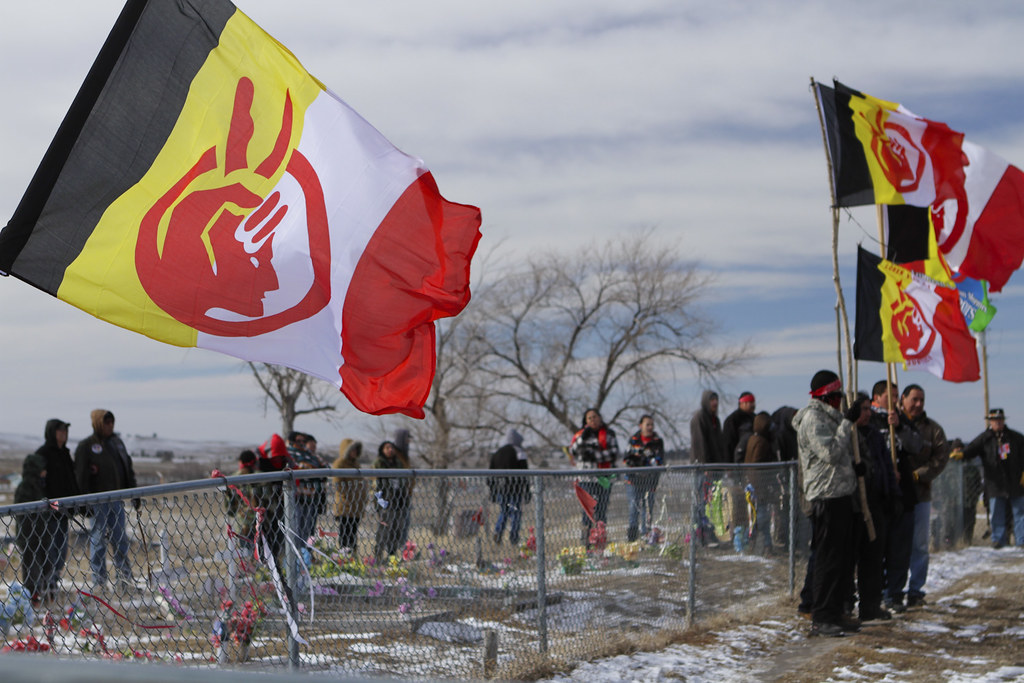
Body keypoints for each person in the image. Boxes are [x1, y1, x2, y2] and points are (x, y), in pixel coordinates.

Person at [792, 370, 859, 637]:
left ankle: (835, 612)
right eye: (838, 396)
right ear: (827, 397)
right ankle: (821, 617)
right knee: (828, 560)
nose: (841, 401)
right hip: (825, 498)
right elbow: (830, 453)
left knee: (841, 560)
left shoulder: (832, 417)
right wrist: (847, 424)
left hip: (840, 495)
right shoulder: (813, 418)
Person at [887, 384, 949, 610]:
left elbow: (941, 459)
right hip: (893, 496)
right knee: (893, 545)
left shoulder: (933, 430)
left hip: (920, 495)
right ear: (902, 399)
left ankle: (915, 591)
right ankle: (891, 592)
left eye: (922, 400)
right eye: (914, 399)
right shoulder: (889, 422)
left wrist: (917, 475)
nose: (918, 404)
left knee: (919, 545)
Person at [847, 395, 899, 622]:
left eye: (869, 409)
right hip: (853, 505)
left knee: (874, 559)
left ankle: (870, 606)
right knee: (849, 560)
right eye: (862, 409)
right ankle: (846, 605)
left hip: (875, 504)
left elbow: (886, 465)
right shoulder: (846, 434)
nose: (867, 413)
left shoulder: (876, 435)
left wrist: (893, 494)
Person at [74, 409, 137, 592]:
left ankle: (124, 581)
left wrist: (134, 493)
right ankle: (99, 583)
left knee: (120, 539)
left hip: (116, 499)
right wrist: (83, 503)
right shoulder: (87, 446)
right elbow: (81, 476)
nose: (110, 426)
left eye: (111, 422)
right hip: (97, 501)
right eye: (106, 422)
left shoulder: (116, 444)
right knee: (98, 540)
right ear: (97, 423)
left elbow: (127, 467)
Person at [962, 408, 1024, 549]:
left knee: (1020, 513)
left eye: (1000, 420)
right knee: (997, 513)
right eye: (995, 420)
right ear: (990, 421)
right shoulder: (985, 438)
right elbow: (971, 449)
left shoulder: (1016, 438)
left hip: (1015, 482)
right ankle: (998, 541)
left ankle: (1022, 541)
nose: (998, 423)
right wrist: (960, 454)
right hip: (995, 484)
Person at [35, 418, 79, 602]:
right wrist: (52, 506)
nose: (63, 434)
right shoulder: (43, 454)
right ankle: (46, 588)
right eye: (60, 431)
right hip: (48, 515)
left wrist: (79, 502)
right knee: (50, 553)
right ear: (52, 432)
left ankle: (53, 585)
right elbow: (39, 487)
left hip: (64, 513)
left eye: (65, 431)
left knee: (61, 553)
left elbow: (71, 480)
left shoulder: (65, 454)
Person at [568, 408, 619, 546]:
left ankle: (600, 542)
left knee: (601, 511)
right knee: (587, 512)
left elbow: (613, 453)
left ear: (600, 418)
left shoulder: (609, 434)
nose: (592, 420)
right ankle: (586, 544)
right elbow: (573, 451)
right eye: (589, 418)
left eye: (595, 417)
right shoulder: (580, 434)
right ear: (585, 420)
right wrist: (584, 437)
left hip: (604, 478)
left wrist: (594, 456)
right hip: (586, 479)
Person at [13, 452, 49, 605]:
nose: (45, 472)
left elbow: (48, 504)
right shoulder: (25, 488)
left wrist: (53, 506)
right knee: (31, 569)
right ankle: (32, 597)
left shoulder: (40, 486)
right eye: (41, 469)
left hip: (42, 533)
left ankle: (46, 595)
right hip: (28, 535)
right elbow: (23, 512)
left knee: (46, 565)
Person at [624, 415, 665, 542]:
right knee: (634, 507)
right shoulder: (634, 440)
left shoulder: (657, 441)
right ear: (640, 425)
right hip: (633, 480)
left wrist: (644, 457)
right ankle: (632, 536)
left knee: (647, 509)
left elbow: (658, 460)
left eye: (652, 425)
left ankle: (646, 535)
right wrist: (640, 460)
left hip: (650, 481)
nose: (650, 427)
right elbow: (627, 459)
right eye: (647, 424)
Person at [488, 429, 530, 545]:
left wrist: (492, 491)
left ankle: (498, 532)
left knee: (504, 511)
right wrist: (526, 491)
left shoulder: (497, 453)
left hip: (501, 489)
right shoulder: (519, 452)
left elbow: (490, 474)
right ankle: (514, 537)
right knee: (515, 512)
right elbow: (525, 472)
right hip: (515, 489)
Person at [373, 438, 412, 561]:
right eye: (387, 448)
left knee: (396, 530)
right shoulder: (379, 463)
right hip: (385, 501)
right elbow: (375, 485)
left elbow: (404, 481)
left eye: (392, 448)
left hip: (399, 501)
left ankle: (392, 556)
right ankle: (378, 555)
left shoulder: (398, 463)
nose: (390, 450)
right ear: (382, 450)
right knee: (384, 529)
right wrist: (379, 503)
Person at [744, 411, 777, 554]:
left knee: (756, 516)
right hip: (759, 486)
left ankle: (754, 543)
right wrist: (764, 484)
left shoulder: (753, 439)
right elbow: (758, 465)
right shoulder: (761, 442)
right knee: (761, 516)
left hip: (753, 485)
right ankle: (766, 545)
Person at [332, 439, 368, 554]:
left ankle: (352, 555)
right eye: (352, 449)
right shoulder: (340, 463)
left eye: (356, 449)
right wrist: (350, 494)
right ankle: (343, 555)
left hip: (357, 506)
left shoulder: (356, 464)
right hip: (345, 506)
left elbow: (361, 482)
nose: (354, 452)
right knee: (345, 533)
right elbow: (337, 483)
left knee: (353, 533)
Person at [224, 450, 258, 559]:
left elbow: (230, 508)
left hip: (243, 525)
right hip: (262, 522)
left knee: (247, 554)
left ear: (240, 462)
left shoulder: (233, 479)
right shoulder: (262, 477)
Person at [690, 390, 725, 464]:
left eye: (716, 400)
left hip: (716, 466)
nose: (715, 403)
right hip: (702, 466)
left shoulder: (716, 420)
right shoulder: (699, 418)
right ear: (706, 402)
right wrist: (704, 464)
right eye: (712, 400)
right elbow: (699, 444)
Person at [723, 392, 757, 463]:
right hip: (737, 461)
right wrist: (729, 465)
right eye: (750, 402)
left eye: (753, 402)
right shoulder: (732, 420)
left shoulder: (755, 418)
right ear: (742, 403)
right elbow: (728, 444)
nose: (753, 405)